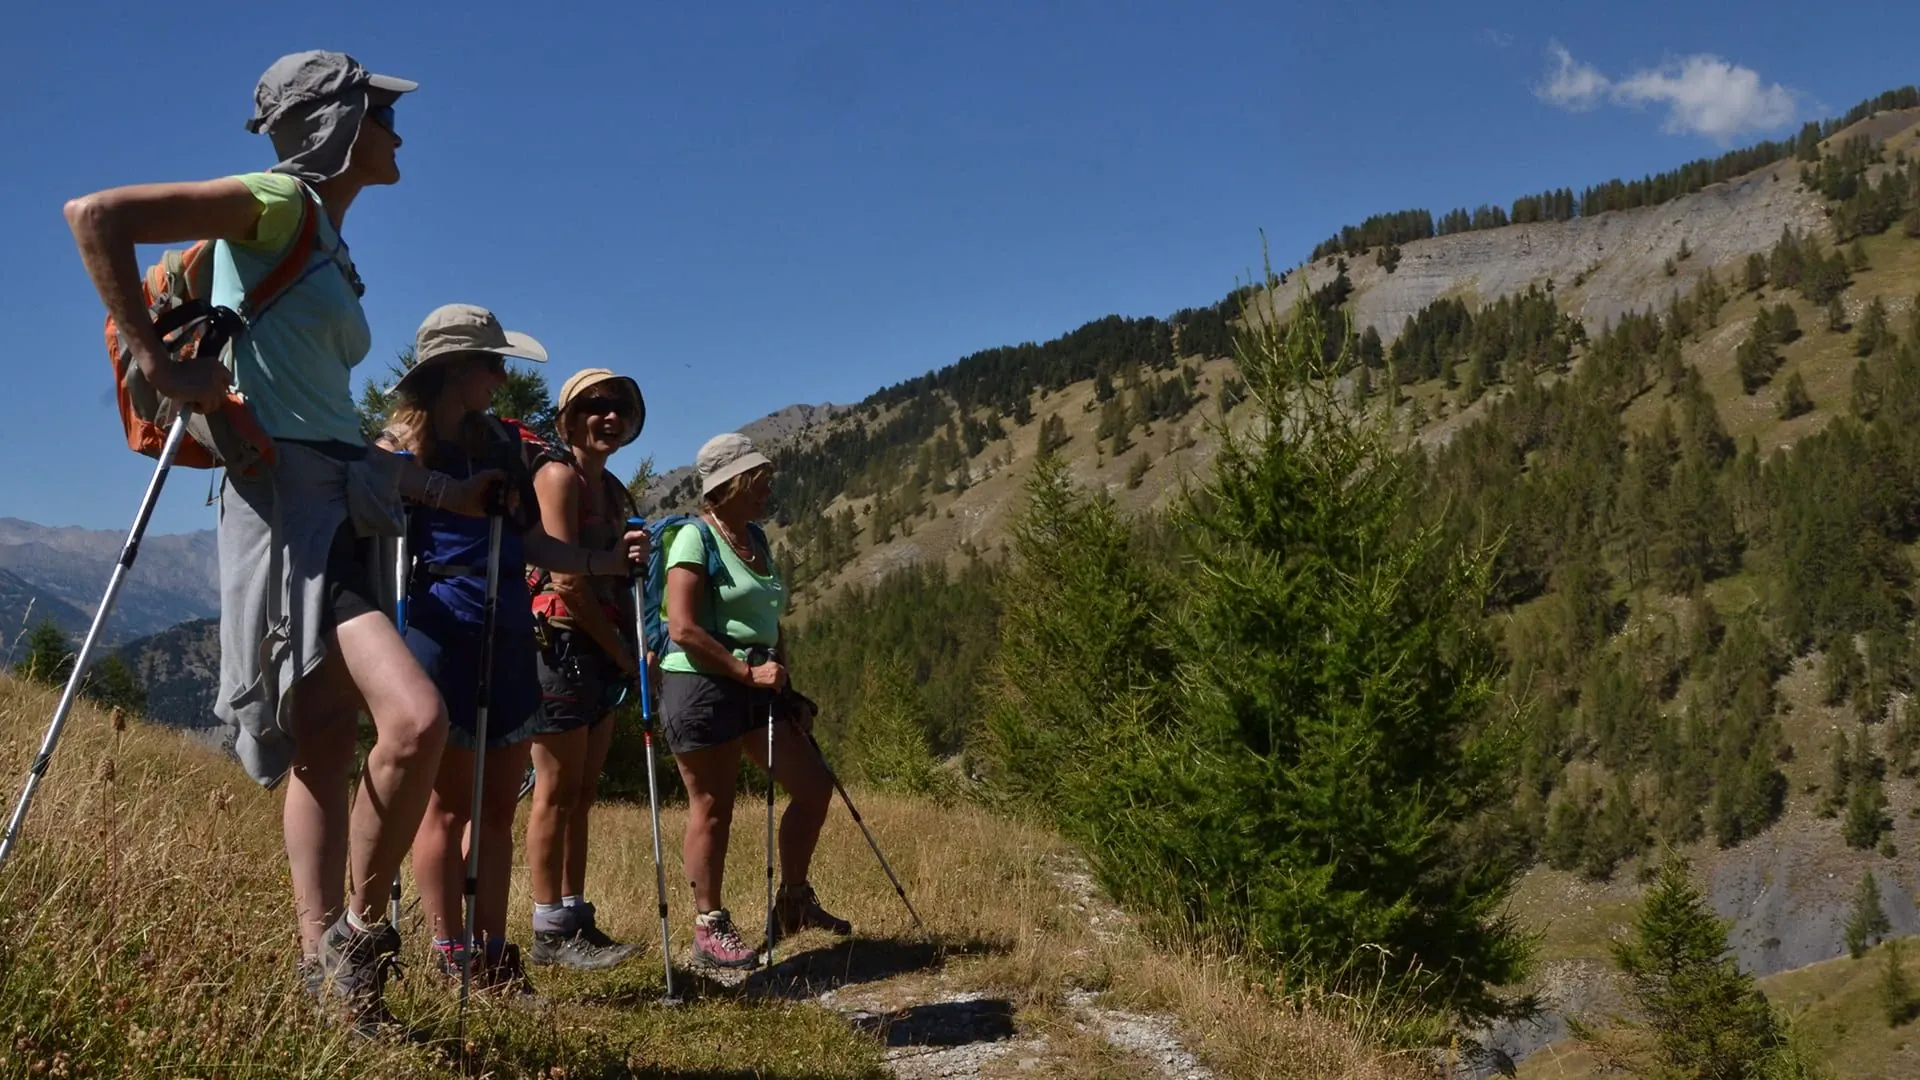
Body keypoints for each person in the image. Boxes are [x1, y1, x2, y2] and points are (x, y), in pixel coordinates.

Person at [62, 51, 500, 1032]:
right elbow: (97, 216)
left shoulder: (327, 240)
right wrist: (155, 361)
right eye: (383, 115)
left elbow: (327, 417)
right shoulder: (276, 200)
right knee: (415, 720)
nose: (398, 134)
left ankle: (320, 964)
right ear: (336, 124)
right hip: (292, 511)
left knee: (325, 739)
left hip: (338, 498)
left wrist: (441, 490)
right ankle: (359, 939)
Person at [379, 307, 650, 995]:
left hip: (504, 628)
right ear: (454, 370)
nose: (502, 377)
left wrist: (600, 561)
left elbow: (530, 542)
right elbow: (367, 496)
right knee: (449, 805)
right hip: (442, 625)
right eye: (491, 363)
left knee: (498, 803)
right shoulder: (400, 446)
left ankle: (494, 953)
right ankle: (452, 952)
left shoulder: (504, 442)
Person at [658, 433, 850, 970]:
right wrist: (745, 670)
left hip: (758, 686)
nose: (767, 488)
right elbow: (682, 628)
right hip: (701, 687)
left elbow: (768, 620)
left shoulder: (756, 538)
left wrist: (786, 687)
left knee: (814, 787)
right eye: (758, 480)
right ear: (730, 484)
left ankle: (793, 901)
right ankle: (709, 925)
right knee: (713, 807)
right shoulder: (694, 539)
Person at [523, 368, 648, 968]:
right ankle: (549, 926)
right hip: (560, 646)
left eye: (619, 406)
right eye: (595, 405)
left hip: (597, 649)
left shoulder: (612, 490)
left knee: (582, 790)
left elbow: (612, 575)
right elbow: (566, 579)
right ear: (568, 419)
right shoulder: (557, 477)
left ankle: (573, 914)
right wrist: (623, 652)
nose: (610, 415)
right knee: (556, 790)